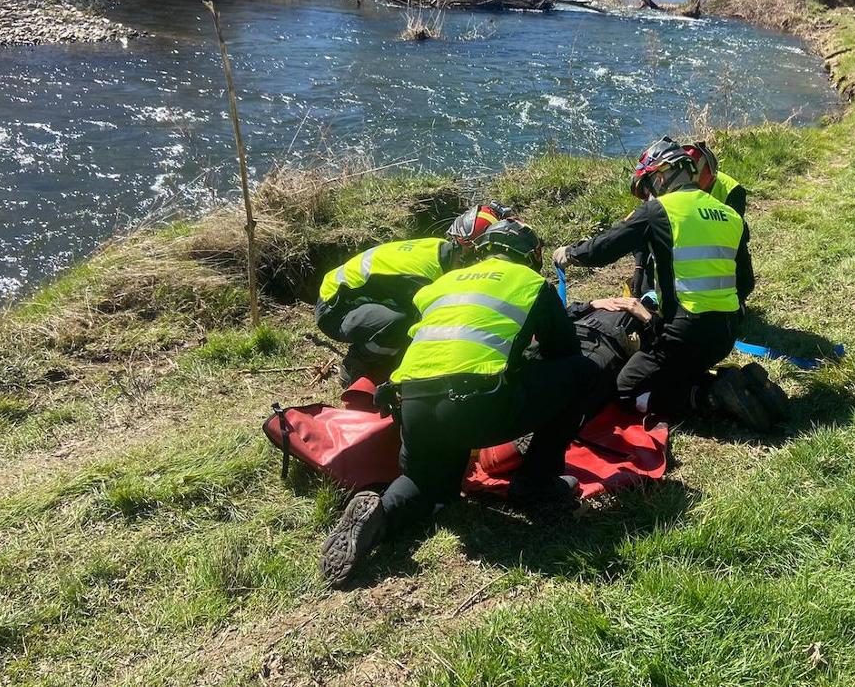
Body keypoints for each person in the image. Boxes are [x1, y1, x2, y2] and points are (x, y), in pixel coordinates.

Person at [319, 219, 598, 586]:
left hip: (414, 404)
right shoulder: (531, 284)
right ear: (530, 257)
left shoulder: (441, 284)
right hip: (474, 404)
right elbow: (562, 353)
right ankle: (537, 482)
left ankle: (381, 512)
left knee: (424, 484)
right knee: (581, 373)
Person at [552, 137, 765, 426]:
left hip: (685, 334)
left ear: (663, 174)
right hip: (726, 333)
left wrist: (569, 253)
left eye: (649, 185)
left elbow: (604, 248)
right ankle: (736, 384)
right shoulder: (730, 215)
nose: (649, 194)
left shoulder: (659, 212)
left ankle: (708, 397)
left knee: (626, 389)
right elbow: (746, 283)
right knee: (672, 366)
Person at [314, 202, 510, 385]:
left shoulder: (439, 250)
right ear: (469, 253)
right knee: (405, 322)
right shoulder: (422, 276)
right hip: (335, 310)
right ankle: (355, 365)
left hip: (352, 298)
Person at [630, 138, 747, 297]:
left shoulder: (732, 190)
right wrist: (639, 267)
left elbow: (732, 240)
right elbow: (641, 228)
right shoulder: (663, 183)